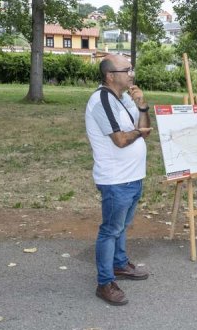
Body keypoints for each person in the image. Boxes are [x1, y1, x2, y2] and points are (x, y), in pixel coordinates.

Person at [85, 54, 153, 306]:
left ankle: (120, 265)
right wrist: (138, 131)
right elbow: (121, 139)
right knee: (110, 230)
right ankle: (104, 283)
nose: (131, 74)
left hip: (133, 175)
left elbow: (143, 130)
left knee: (122, 226)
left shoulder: (123, 98)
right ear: (110, 75)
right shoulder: (101, 100)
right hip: (115, 179)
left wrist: (143, 106)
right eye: (127, 70)